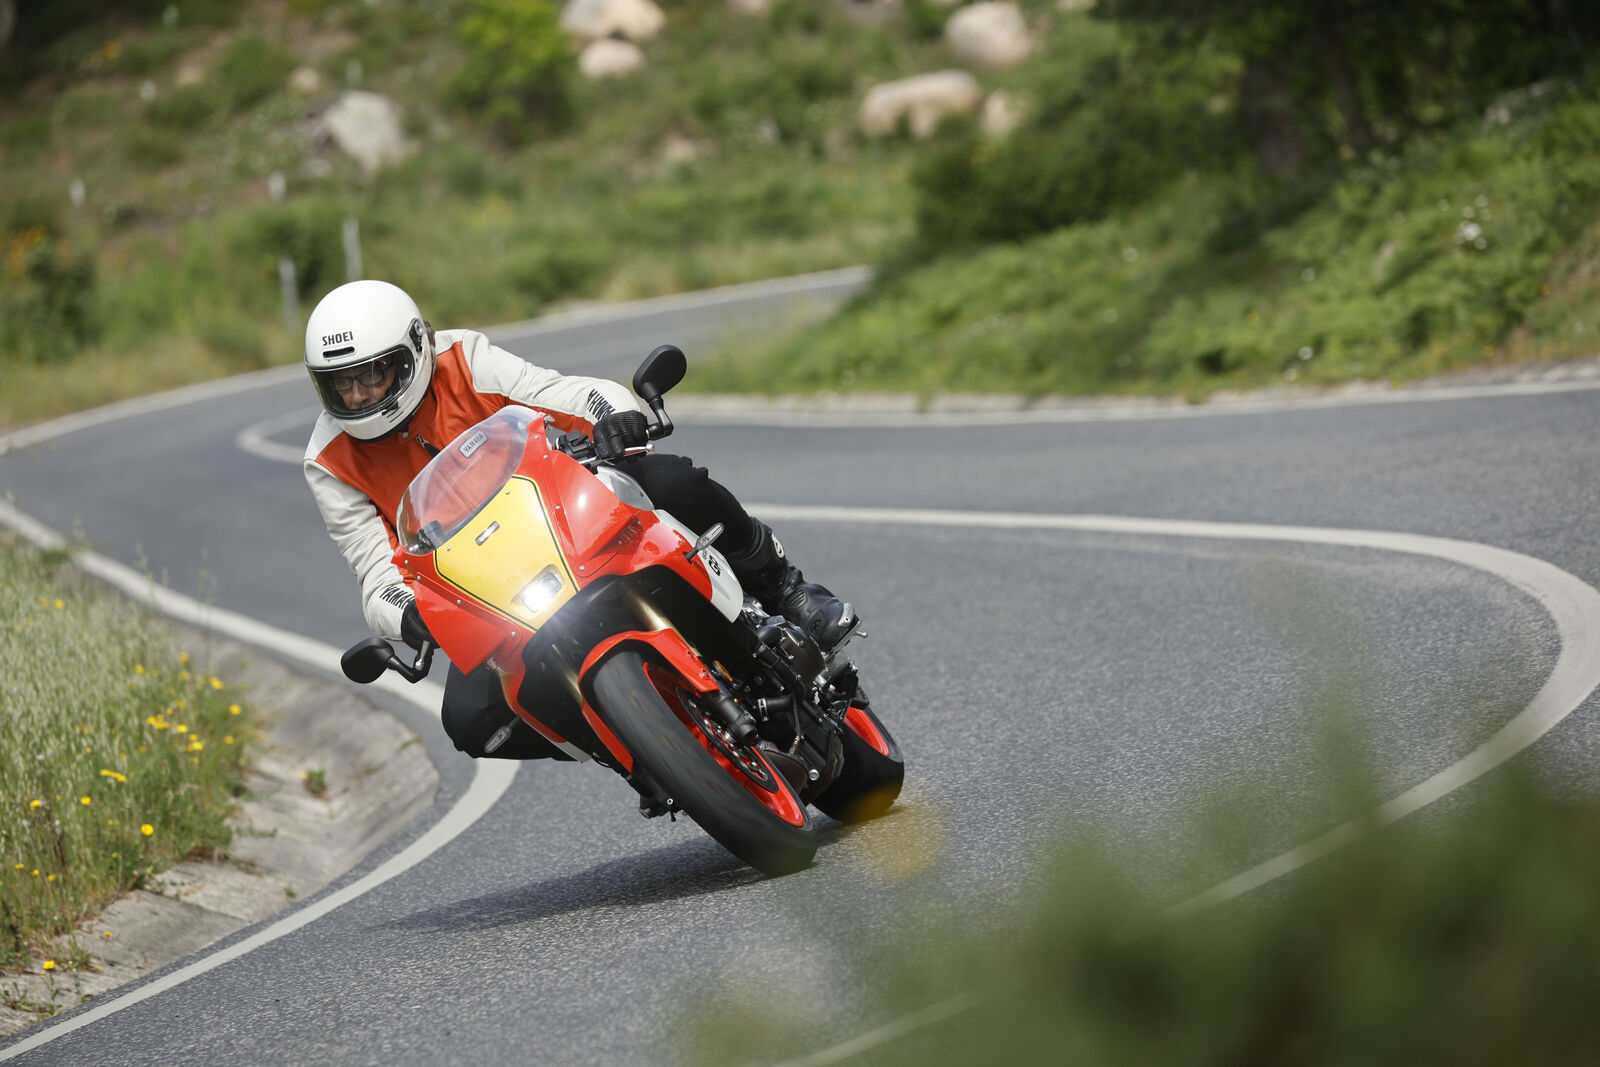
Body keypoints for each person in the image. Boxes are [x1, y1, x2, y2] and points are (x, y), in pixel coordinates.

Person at [302, 279, 855, 761]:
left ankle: (789, 591)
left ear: (413, 352)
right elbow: (374, 570)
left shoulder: (463, 360)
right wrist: (408, 615)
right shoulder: (327, 460)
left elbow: (562, 393)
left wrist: (615, 416)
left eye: (370, 374)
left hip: (561, 512)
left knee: (672, 481)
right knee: (471, 721)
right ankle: (630, 745)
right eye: (340, 384)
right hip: (482, 587)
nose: (357, 394)